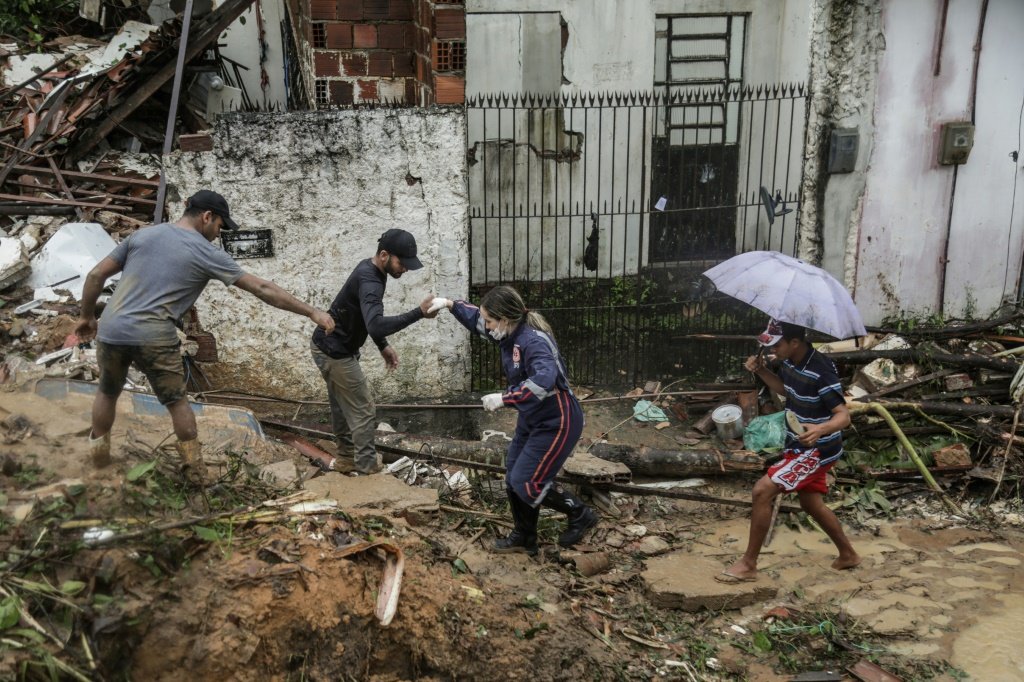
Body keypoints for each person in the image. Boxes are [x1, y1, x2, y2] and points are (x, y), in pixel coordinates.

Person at [74, 190, 335, 484]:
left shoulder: (143, 236)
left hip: (111, 329)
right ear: (207, 216)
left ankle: (98, 461)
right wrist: (312, 312)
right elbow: (262, 289)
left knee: (107, 393)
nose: (218, 234)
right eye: (220, 227)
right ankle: (194, 471)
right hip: (153, 334)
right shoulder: (205, 251)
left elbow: (96, 275)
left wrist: (86, 317)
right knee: (177, 402)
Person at [429, 286, 598, 553]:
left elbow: (544, 380)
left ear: (505, 319)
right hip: (533, 417)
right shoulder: (505, 333)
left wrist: (505, 398)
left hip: (558, 419)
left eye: (490, 320)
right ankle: (525, 537)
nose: (485, 325)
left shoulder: (533, 341)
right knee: (512, 477)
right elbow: (475, 319)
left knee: (527, 481)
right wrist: (449, 304)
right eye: (486, 319)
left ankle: (579, 513)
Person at [718, 319, 860, 583]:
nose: (774, 350)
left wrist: (819, 430)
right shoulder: (790, 362)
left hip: (816, 449)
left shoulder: (821, 370)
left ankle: (749, 564)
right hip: (799, 443)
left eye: (778, 344)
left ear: (795, 342)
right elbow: (788, 391)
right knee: (811, 503)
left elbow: (843, 416)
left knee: (762, 491)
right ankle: (848, 554)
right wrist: (761, 371)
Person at [311, 228, 438, 475]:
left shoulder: (372, 271)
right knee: (362, 408)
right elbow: (375, 323)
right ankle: (369, 471)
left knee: (341, 406)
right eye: (402, 263)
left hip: (328, 345)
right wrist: (419, 313)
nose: (406, 269)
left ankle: (347, 459)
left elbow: (366, 319)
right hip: (334, 351)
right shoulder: (370, 280)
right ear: (383, 255)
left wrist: (382, 346)